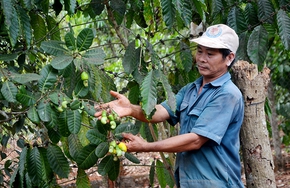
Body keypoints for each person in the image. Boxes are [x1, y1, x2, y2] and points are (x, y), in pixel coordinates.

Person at [95, 24, 244, 188]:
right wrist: (130, 108)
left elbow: (195, 140)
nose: (201, 58)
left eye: (210, 54)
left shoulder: (227, 94)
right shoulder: (191, 89)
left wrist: (146, 147)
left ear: (229, 58)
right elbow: (160, 112)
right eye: (200, 51)